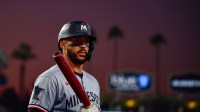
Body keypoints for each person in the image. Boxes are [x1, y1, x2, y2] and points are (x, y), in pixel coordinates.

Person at [28, 21, 100, 112]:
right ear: (63, 45)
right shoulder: (49, 79)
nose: (83, 46)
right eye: (77, 41)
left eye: (86, 42)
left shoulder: (93, 82)